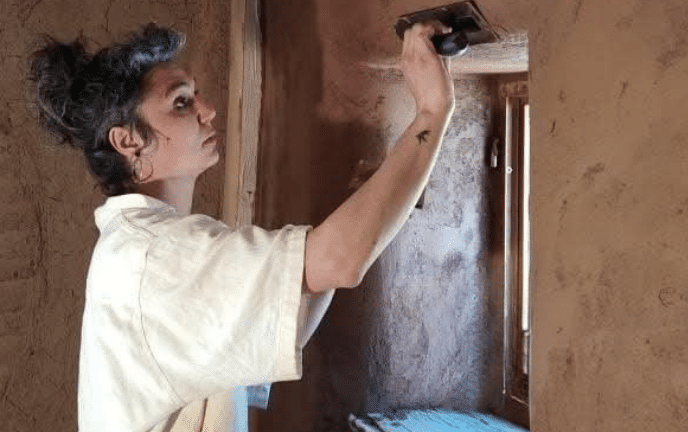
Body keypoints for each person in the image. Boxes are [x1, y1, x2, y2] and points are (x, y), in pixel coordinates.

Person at [27, 21, 454, 432]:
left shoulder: (137, 247)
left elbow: (291, 311)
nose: (207, 110)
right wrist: (433, 111)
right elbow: (339, 262)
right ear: (128, 141)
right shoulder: (157, 254)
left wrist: (370, 206)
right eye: (181, 103)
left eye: (195, 95)